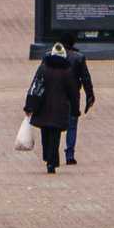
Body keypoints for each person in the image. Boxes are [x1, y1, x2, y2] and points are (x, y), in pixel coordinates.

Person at [24, 43, 78, 172]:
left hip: (43, 107)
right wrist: (75, 110)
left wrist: (29, 106)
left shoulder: (43, 68)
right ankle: (51, 161)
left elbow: (35, 87)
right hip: (60, 108)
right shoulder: (67, 71)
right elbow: (73, 92)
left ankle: (47, 157)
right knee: (55, 135)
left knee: (45, 134)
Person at [61, 35, 97, 163]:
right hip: (73, 94)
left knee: (53, 124)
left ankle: (51, 153)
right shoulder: (79, 57)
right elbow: (86, 78)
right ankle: (69, 154)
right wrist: (90, 95)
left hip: (55, 95)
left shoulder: (50, 56)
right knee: (72, 124)